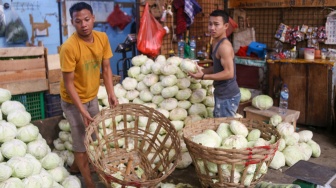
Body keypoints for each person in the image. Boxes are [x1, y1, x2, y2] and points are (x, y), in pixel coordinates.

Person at [59, 2, 118, 188]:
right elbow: (69, 84)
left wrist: (111, 93)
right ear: (72, 23)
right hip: (72, 100)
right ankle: (90, 183)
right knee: (81, 142)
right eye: (78, 21)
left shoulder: (102, 38)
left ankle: (76, 167)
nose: (83, 24)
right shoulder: (69, 47)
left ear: (93, 18)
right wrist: (82, 110)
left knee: (91, 137)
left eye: (86, 19)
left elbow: (107, 68)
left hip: (92, 96)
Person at [188, 10, 240, 117]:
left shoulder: (224, 46)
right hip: (221, 94)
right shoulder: (215, 41)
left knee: (224, 129)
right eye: (210, 24)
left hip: (228, 97)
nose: (212, 28)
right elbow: (217, 68)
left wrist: (203, 76)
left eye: (216, 24)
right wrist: (201, 71)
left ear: (226, 26)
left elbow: (229, 73)